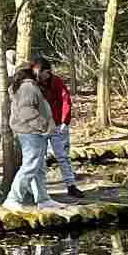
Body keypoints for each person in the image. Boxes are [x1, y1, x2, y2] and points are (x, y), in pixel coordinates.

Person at [4, 61, 54, 209]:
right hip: (31, 132)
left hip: (33, 131)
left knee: (39, 167)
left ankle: (43, 199)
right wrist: (44, 125)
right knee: (30, 166)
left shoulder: (28, 86)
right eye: (47, 72)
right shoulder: (28, 87)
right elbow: (26, 112)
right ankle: (13, 199)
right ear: (36, 71)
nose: (48, 75)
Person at [36, 58, 80, 197]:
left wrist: (64, 122)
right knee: (39, 159)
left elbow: (65, 100)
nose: (42, 76)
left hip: (56, 125)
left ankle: (71, 185)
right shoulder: (32, 84)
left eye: (44, 73)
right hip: (39, 126)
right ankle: (41, 190)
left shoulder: (56, 82)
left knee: (63, 156)